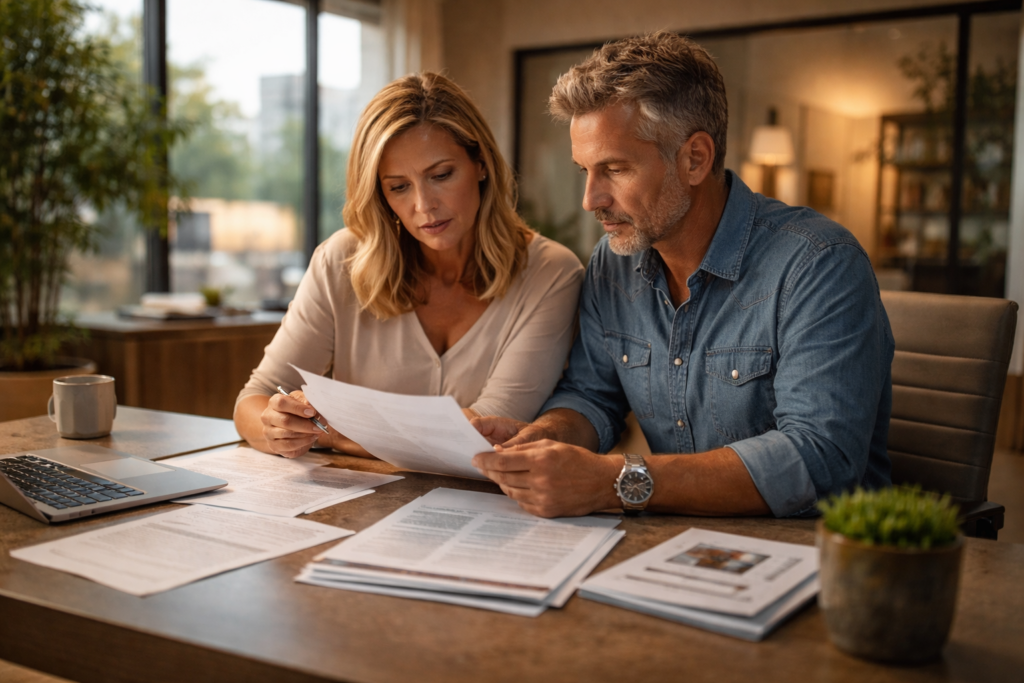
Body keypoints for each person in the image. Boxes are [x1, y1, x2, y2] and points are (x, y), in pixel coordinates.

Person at [471, 32, 894, 519]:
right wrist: (544, 438)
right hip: (672, 540)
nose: (590, 200)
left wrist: (614, 482)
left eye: (615, 169)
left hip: (816, 554)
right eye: (585, 170)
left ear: (695, 158)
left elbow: (820, 459)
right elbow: (591, 396)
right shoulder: (615, 262)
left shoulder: (819, 264)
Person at [235, 73, 584, 459]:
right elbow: (254, 400)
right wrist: (277, 426)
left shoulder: (552, 273)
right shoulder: (340, 260)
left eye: (441, 175)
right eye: (399, 186)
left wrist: (329, 435)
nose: (424, 205)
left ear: (481, 163)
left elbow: (483, 433)